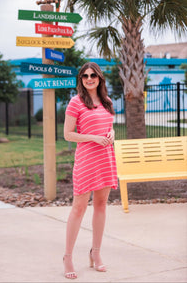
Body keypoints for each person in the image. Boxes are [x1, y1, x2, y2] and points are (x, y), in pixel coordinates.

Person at [63, 62, 118, 279]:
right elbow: (68, 134)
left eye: (93, 75)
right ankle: (67, 256)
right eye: (85, 75)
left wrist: (111, 133)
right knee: (79, 207)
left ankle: (95, 253)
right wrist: (93, 138)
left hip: (105, 157)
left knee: (101, 204)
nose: (89, 78)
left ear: (99, 78)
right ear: (81, 79)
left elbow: (108, 125)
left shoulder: (107, 101)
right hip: (86, 159)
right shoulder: (75, 103)